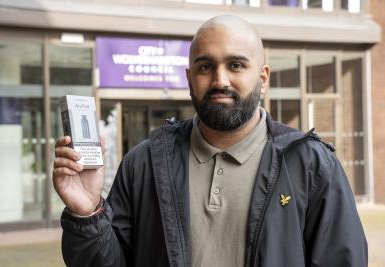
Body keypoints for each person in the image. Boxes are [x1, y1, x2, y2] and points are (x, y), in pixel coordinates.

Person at [53, 15, 367, 267]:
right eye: (206, 67)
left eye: (236, 65)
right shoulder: (144, 163)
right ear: (189, 77)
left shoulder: (311, 165)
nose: (220, 80)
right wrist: (87, 213)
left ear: (263, 77)